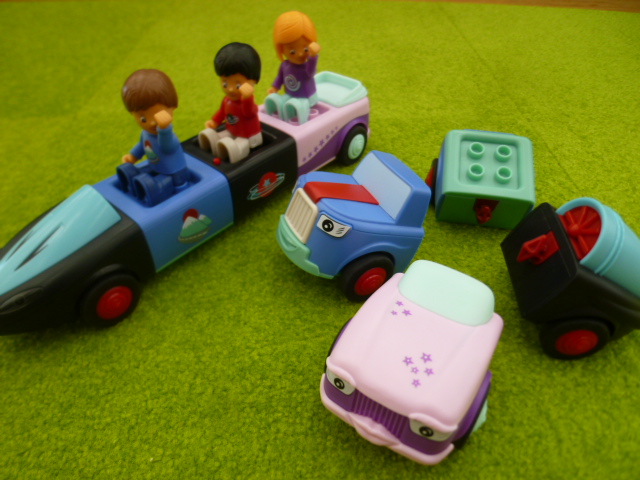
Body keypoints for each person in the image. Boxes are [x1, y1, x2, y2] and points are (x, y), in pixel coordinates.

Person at [117, 69, 189, 206]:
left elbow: (167, 147)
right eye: (143, 118)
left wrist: (165, 129)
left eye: (157, 115)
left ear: (172, 107)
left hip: (175, 174)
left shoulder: (168, 135)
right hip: (155, 167)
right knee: (138, 177)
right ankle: (133, 185)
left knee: (156, 188)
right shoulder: (146, 133)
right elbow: (142, 146)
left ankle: (177, 197)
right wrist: (132, 157)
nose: (151, 123)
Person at [198, 43, 262, 164]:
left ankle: (229, 153)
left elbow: (249, 113)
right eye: (225, 83)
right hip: (231, 131)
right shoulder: (227, 100)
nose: (230, 89)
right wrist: (214, 122)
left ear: (253, 81)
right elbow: (222, 112)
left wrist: (247, 98)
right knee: (215, 138)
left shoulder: (247, 101)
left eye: (238, 84)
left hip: (248, 137)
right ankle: (213, 146)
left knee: (234, 147)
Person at [264, 11, 320, 125]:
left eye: (305, 49)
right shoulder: (285, 65)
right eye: (292, 51)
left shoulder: (307, 67)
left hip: (306, 97)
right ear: (281, 49)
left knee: (298, 107)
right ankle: (279, 114)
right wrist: (275, 88)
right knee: (280, 102)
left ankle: (298, 122)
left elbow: (311, 73)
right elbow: (280, 77)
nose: (300, 54)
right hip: (290, 94)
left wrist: (313, 57)